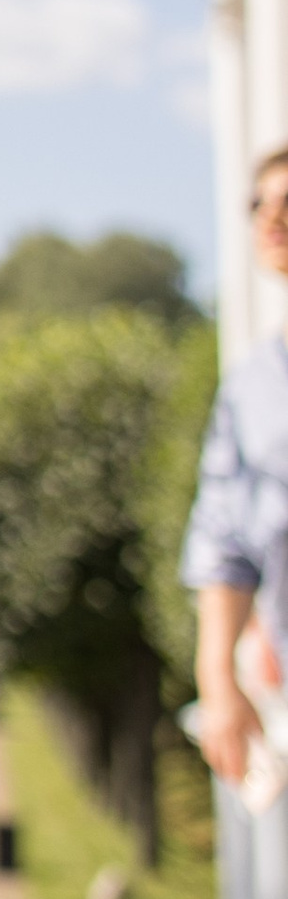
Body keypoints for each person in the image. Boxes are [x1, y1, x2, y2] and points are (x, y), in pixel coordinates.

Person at [181, 144, 288, 833]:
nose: (273, 218)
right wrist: (218, 677)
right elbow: (226, 543)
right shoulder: (252, 388)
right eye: (261, 204)